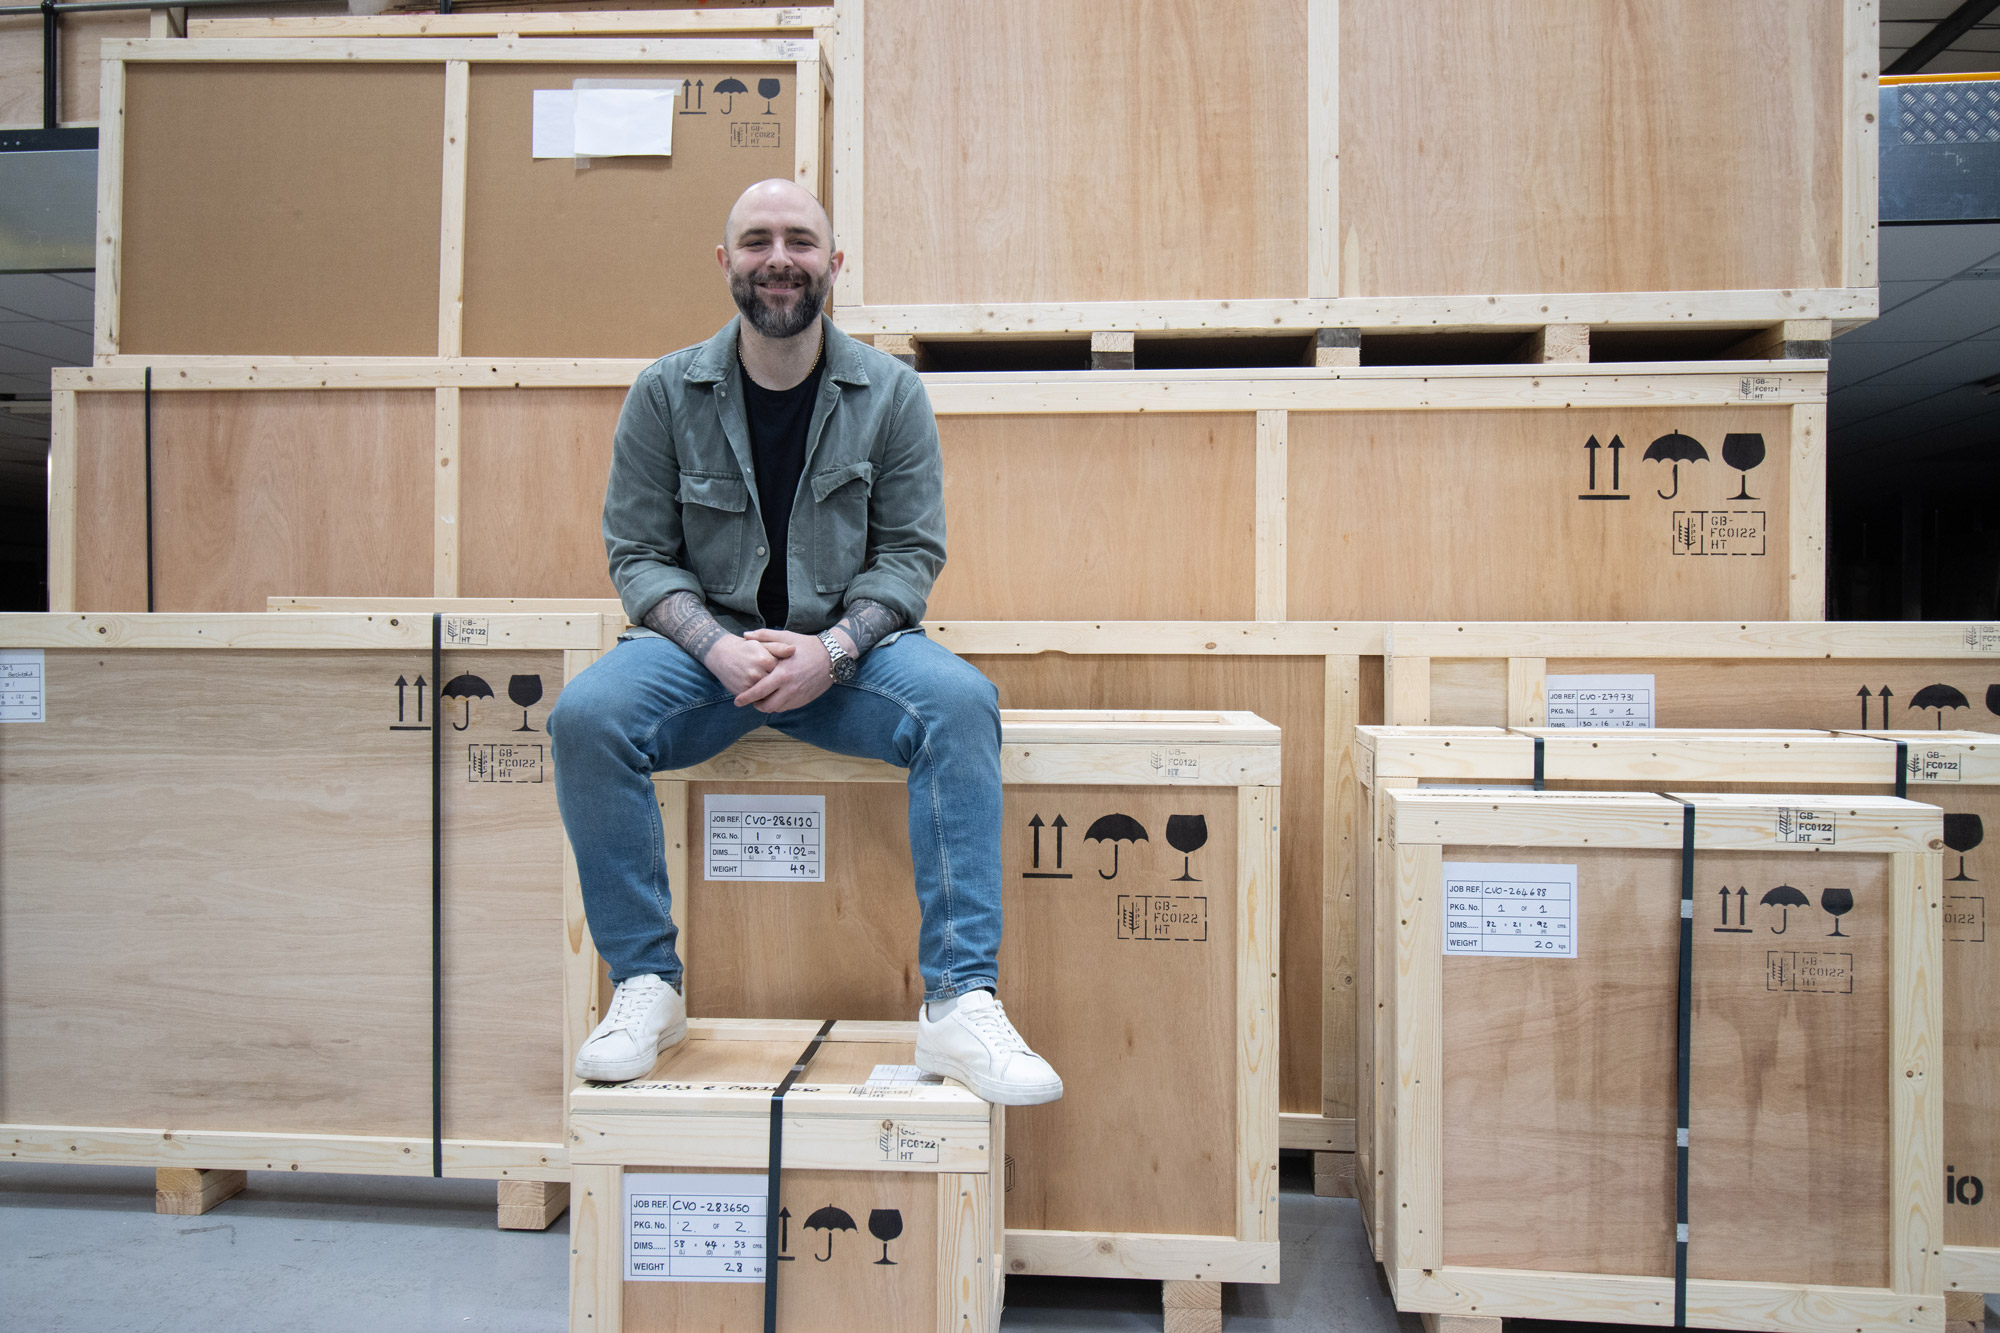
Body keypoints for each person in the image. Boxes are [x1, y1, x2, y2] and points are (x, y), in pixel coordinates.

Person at [547, 179, 1062, 1106]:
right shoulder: (664, 392)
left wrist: (833, 651)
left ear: (833, 262)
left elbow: (908, 556)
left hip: (847, 660)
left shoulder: (891, 393)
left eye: (799, 240)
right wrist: (716, 647)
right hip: (703, 660)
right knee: (587, 717)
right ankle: (646, 984)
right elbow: (638, 554)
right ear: (725, 261)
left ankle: (959, 1000)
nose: (778, 259)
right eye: (756, 241)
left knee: (960, 703)